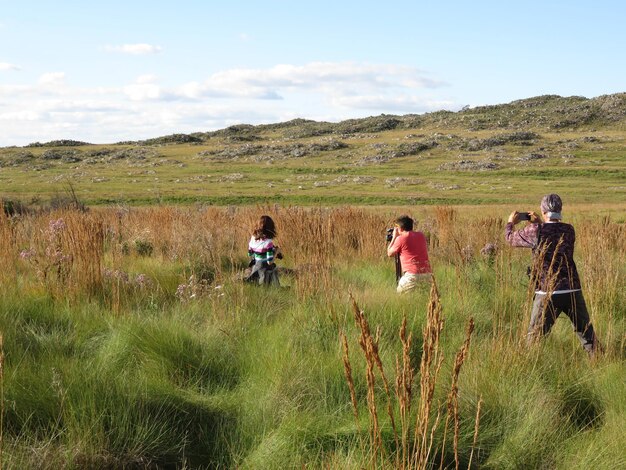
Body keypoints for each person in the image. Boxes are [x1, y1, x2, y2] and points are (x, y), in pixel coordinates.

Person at [505, 194, 598, 355]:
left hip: (547, 292)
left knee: (533, 341)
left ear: (542, 211)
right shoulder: (569, 230)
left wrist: (510, 223)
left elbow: (510, 240)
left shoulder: (536, 230)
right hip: (572, 290)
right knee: (588, 338)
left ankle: (529, 367)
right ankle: (599, 361)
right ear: (560, 210)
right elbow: (553, 234)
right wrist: (539, 223)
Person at [387, 215, 432, 294]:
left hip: (412, 276)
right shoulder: (421, 235)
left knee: (400, 297)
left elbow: (389, 253)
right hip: (427, 274)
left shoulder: (401, 238)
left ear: (400, 228)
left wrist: (394, 237)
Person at [246, 215, 280, 286]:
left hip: (256, 267)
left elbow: (250, 254)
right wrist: (276, 252)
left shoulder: (253, 238)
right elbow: (269, 262)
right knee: (273, 267)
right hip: (263, 269)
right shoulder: (268, 243)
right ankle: (276, 286)